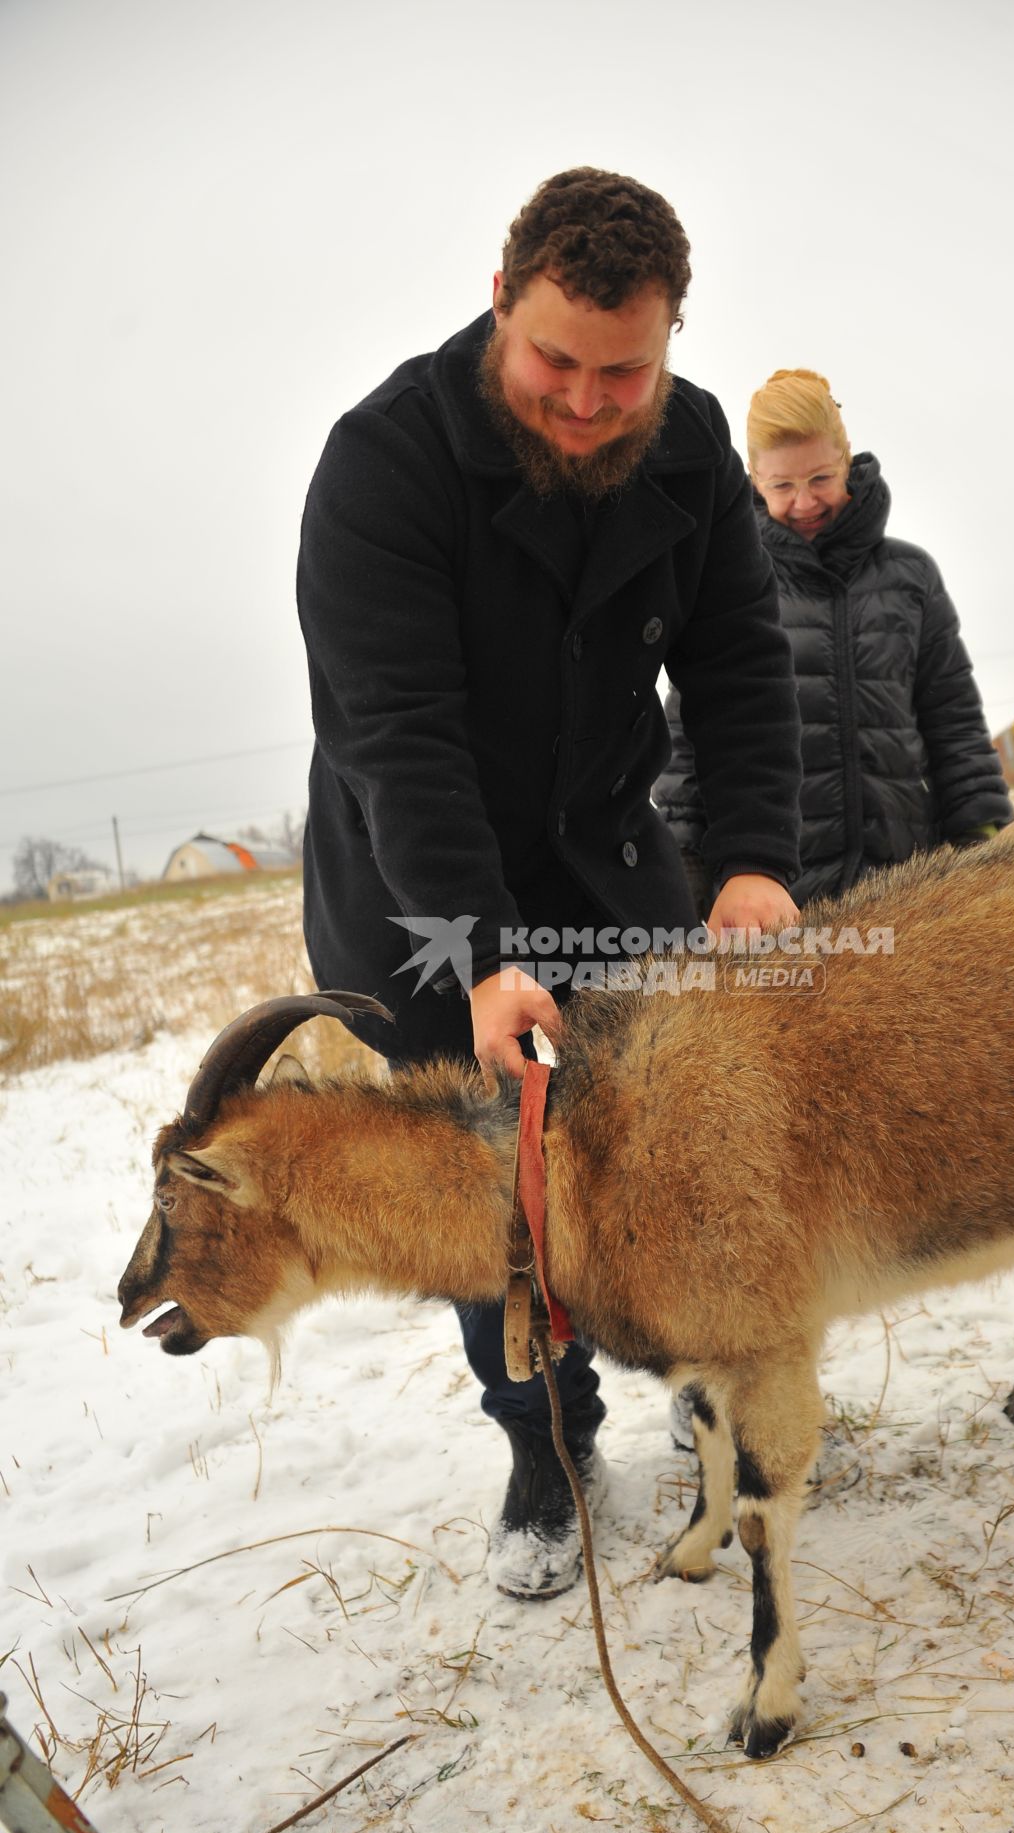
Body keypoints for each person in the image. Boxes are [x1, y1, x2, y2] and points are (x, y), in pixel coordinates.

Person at [296, 170, 802, 1600]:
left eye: (622, 373)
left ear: (671, 343)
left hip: (600, 853)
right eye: (555, 364)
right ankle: (544, 1439)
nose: (586, 402)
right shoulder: (380, 465)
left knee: (649, 1140)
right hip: (422, 893)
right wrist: (479, 961)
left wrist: (755, 859)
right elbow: (400, 739)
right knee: (492, 1189)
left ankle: (706, 1384)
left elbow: (740, 669)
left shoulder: (691, 447)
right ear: (501, 297)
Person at [655, 368, 1012, 909]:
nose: (804, 503)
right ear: (753, 479)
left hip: (906, 890)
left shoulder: (911, 578)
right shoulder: (727, 585)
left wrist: (980, 845)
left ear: (846, 459)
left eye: (821, 478)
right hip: (779, 900)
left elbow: (953, 720)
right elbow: (690, 743)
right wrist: (688, 873)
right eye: (782, 486)